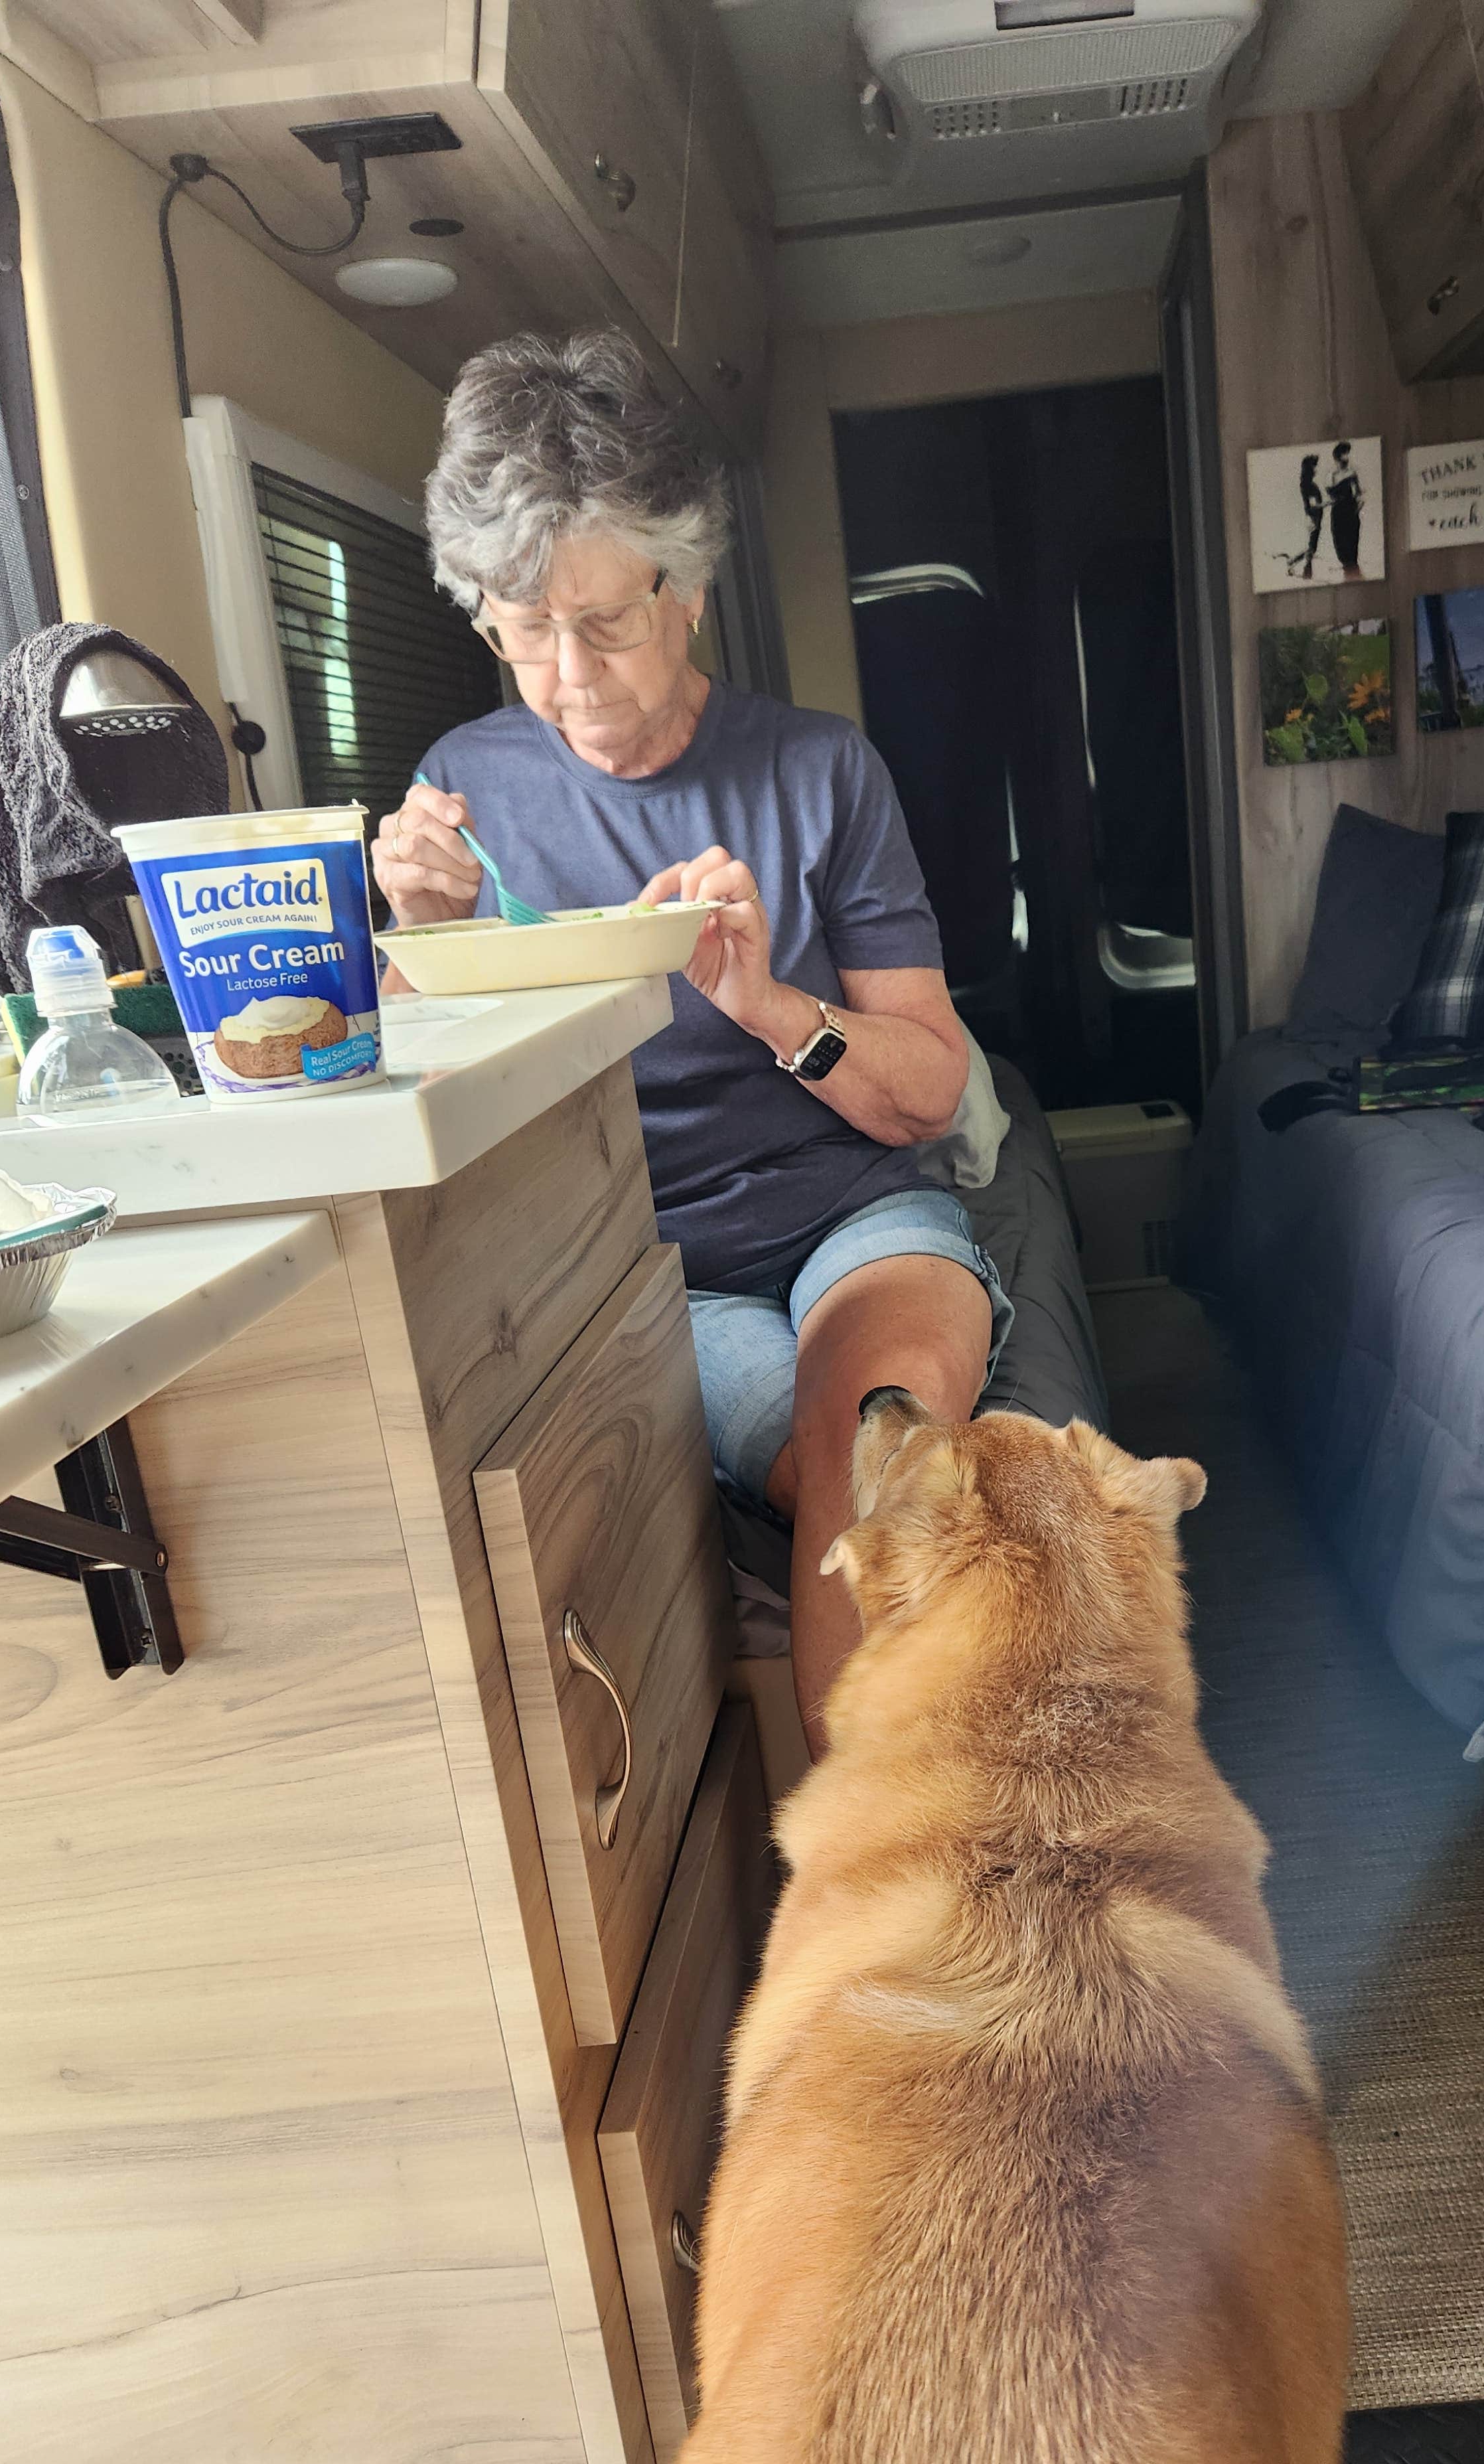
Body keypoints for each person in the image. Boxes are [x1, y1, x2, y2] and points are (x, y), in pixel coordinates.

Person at [372, 329, 1011, 1752]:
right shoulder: (461, 790)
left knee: (881, 1439)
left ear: (692, 589)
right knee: (827, 1474)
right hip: (653, 1261)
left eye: (601, 621)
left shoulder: (820, 771)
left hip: (861, 1211)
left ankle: (874, 1888)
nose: (565, 672)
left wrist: (772, 1002)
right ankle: (904, 1876)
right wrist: (417, 956)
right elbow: (434, 1102)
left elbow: (933, 1089)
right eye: (520, 627)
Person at [1326, 441, 1365, 580]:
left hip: (1351, 514)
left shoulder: (1352, 473)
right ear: (1337, 458)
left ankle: (1354, 578)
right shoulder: (1331, 475)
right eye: (1343, 455)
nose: (1346, 458)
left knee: (1352, 550)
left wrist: (1357, 509)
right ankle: (1349, 578)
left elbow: (1359, 494)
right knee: (1341, 550)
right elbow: (1330, 495)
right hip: (1338, 515)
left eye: (1347, 455)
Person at [1298, 453, 1325, 579]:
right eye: (1314, 467)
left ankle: (1296, 564)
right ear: (1309, 469)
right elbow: (1311, 506)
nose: (1316, 470)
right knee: (1312, 547)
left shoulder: (1306, 484)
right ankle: (1307, 572)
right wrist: (1327, 503)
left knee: (1311, 546)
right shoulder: (1309, 486)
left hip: (1314, 517)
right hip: (1313, 518)